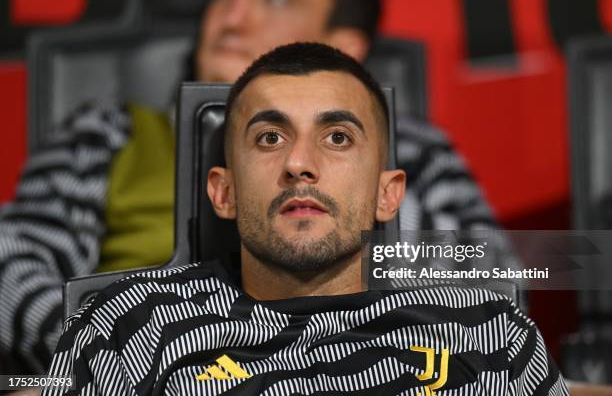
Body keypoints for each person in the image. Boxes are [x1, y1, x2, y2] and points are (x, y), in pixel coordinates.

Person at [0, 0, 517, 373]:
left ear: (341, 44)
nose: (232, 14)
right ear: (220, 188)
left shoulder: (412, 147)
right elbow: (11, 263)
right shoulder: (106, 133)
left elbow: (504, 276)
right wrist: (123, 349)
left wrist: (350, 181)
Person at [42, 43, 566, 396]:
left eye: (337, 138)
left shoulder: (488, 330)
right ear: (222, 192)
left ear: (389, 196)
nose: (299, 164)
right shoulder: (127, 325)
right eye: (270, 138)